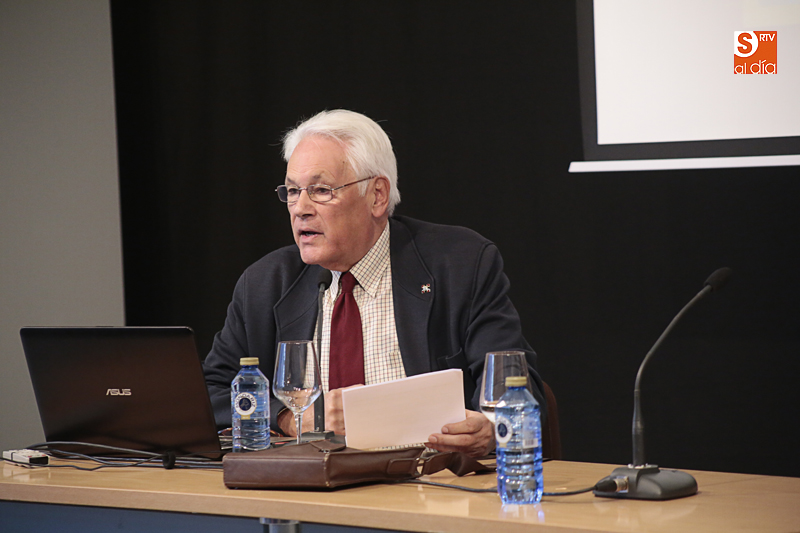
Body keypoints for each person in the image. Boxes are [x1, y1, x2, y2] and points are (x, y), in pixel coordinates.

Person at [203, 109, 543, 458]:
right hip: (310, 487)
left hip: (429, 484)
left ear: (377, 196)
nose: (300, 208)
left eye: (320, 190)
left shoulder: (459, 265)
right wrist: (290, 419)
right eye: (292, 191)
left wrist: (490, 428)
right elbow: (211, 391)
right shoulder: (265, 284)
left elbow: (515, 387)